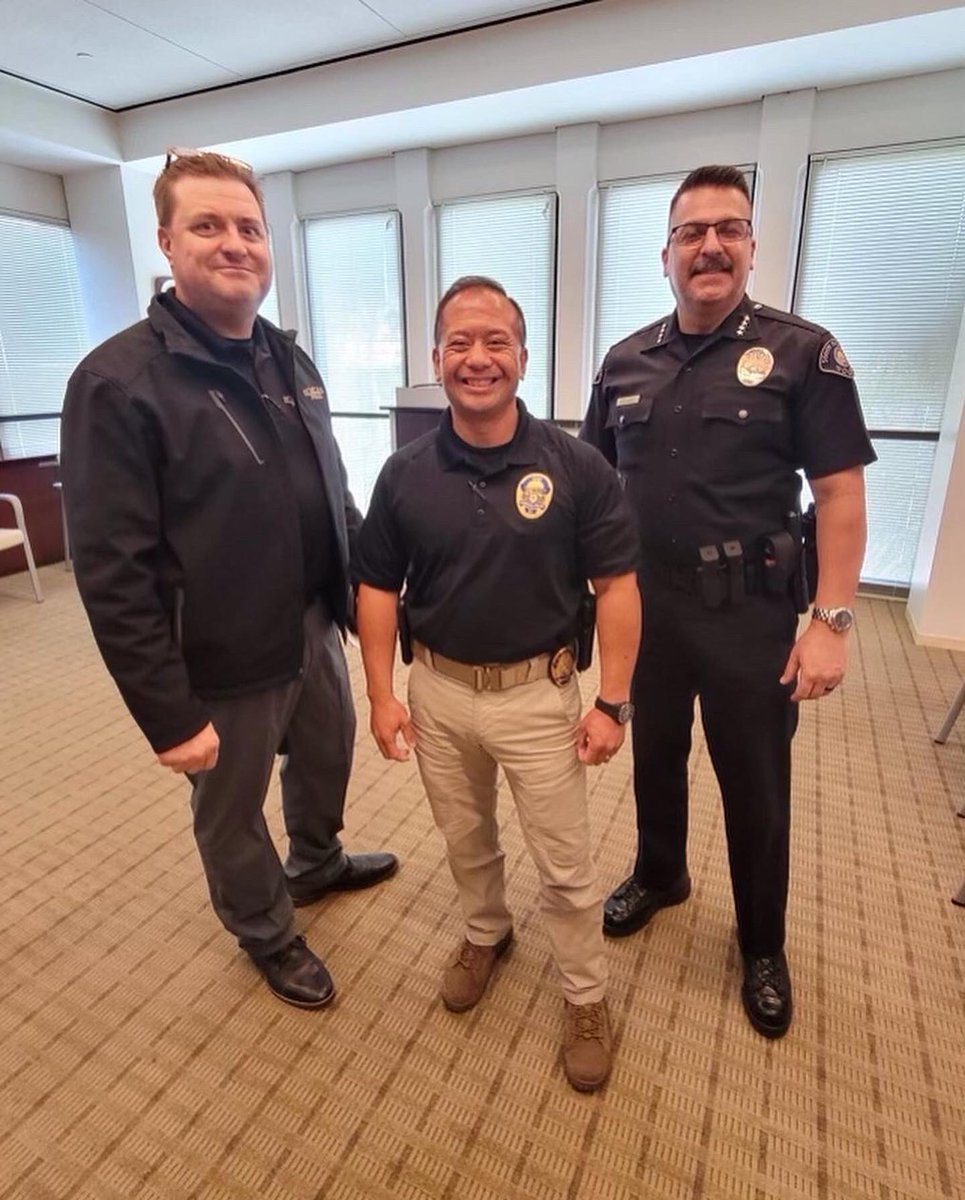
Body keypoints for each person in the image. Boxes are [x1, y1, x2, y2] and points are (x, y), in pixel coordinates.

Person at [61, 149, 397, 1010]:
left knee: (327, 754)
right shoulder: (117, 382)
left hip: (312, 624)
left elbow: (334, 495)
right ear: (168, 242)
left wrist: (369, 598)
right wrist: (166, 715)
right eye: (208, 226)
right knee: (230, 809)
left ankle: (315, 863)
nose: (233, 243)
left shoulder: (291, 359)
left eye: (248, 227)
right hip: (216, 651)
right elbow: (110, 568)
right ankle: (266, 930)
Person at [581, 164, 875, 1038]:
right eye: (690, 232)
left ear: (750, 246)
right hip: (646, 608)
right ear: (664, 252)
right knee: (654, 755)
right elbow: (593, 491)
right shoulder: (623, 359)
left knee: (753, 781)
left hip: (749, 611)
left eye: (728, 229)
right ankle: (660, 872)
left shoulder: (800, 352)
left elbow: (840, 497)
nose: (709, 245)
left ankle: (760, 943)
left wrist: (829, 622)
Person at [354, 276, 641, 1091]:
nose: (476, 359)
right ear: (436, 357)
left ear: (521, 356)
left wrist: (612, 702)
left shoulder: (576, 467)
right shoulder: (404, 473)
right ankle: (486, 931)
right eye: (459, 344)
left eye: (495, 343)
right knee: (463, 838)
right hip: (437, 693)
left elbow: (616, 588)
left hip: (537, 697)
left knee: (565, 863)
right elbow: (376, 587)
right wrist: (380, 695)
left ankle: (584, 994)